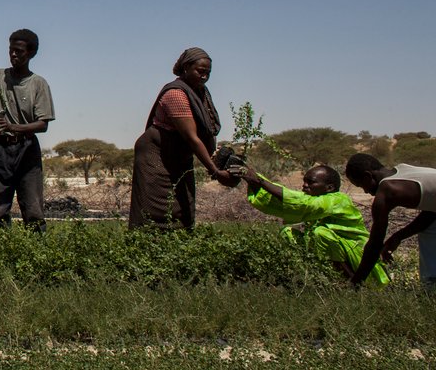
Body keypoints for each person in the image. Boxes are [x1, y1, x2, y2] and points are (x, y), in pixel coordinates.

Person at [128, 47, 236, 229]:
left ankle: (179, 246)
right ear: (186, 68)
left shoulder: (201, 93)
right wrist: (214, 171)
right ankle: (147, 248)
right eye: (200, 72)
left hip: (178, 154)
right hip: (156, 156)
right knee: (153, 208)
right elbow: (192, 138)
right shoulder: (176, 94)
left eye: (208, 73)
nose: (204, 77)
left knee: (182, 202)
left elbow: (206, 131)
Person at [241, 162, 388, 285]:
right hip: (333, 252)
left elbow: (302, 204)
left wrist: (261, 181)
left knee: (321, 233)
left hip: (357, 257)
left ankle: (349, 282)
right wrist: (253, 182)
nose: (304, 186)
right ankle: (311, 276)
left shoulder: (338, 200)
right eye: (304, 181)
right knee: (288, 233)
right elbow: (285, 204)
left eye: (311, 182)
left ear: (329, 188)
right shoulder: (314, 199)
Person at [0, 29, 55, 230]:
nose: (13, 54)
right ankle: (2, 255)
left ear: (31, 53)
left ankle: (35, 255)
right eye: (11, 50)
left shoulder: (38, 84)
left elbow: (43, 124)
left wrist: (12, 127)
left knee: (33, 211)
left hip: (27, 150)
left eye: (19, 51)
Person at [344, 153, 436, 286]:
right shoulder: (404, 171)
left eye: (360, 185)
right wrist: (397, 237)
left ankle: (431, 287)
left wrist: (356, 281)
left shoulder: (388, 190)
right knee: (429, 230)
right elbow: (431, 212)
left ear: (367, 176)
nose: (364, 191)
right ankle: (432, 286)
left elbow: (375, 243)